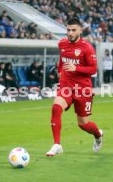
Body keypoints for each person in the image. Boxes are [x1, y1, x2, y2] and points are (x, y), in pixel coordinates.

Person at [45, 18, 103, 156]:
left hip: (83, 88)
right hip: (66, 85)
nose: (70, 33)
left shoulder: (87, 47)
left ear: (80, 31)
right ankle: (57, 144)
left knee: (83, 124)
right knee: (56, 108)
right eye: (68, 30)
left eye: (73, 30)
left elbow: (93, 69)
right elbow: (62, 59)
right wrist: (60, 72)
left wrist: (75, 68)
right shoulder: (62, 44)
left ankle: (98, 135)